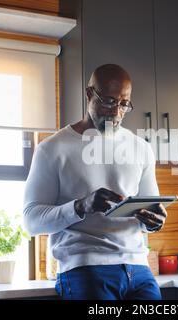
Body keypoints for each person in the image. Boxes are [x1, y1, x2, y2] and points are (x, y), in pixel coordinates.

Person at [23, 64, 168, 300]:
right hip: (85, 268)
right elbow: (31, 221)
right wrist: (80, 206)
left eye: (124, 104)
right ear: (89, 94)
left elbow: (147, 212)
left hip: (139, 268)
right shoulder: (52, 149)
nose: (116, 113)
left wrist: (153, 221)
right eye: (109, 101)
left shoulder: (141, 148)